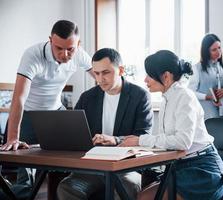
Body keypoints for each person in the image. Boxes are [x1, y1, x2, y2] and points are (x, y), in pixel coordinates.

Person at [0, 20, 95, 198]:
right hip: (29, 113)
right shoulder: (32, 55)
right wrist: (13, 137)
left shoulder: (80, 55)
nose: (64, 54)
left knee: (74, 156)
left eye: (70, 49)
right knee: (26, 179)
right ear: (50, 40)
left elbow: (101, 76)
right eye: (58, 48)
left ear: (78, 45)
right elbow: (19, 98)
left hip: (56, 112)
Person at [120, 50, 223, 200]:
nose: (145, 80)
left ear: (166, 76)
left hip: (203, 170)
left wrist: (140, 140)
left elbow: (182, 142)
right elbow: (166, 139)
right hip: (181, 166)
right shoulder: (167, 98)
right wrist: (135, 144)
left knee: (145, 197)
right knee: (142, 194)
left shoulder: (184, 97)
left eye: (149, 75)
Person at [57, 48, 153, 200]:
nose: (100, 78)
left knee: (128, 185)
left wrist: (116, 139)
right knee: (67, 188)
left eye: (106, 72)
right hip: (93, 167)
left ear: (121, 70)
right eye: (96, 73)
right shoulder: (88, 97)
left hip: (126, 168)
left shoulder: (140, 96)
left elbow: (144, 136)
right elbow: (73, 131)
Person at [188, 33, 223, 119]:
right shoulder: (197, 69)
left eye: (219, 48)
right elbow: (190, 92)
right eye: (214, 50)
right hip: (206, 115)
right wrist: (207, 97)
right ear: (206, 52)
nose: (218, 52)